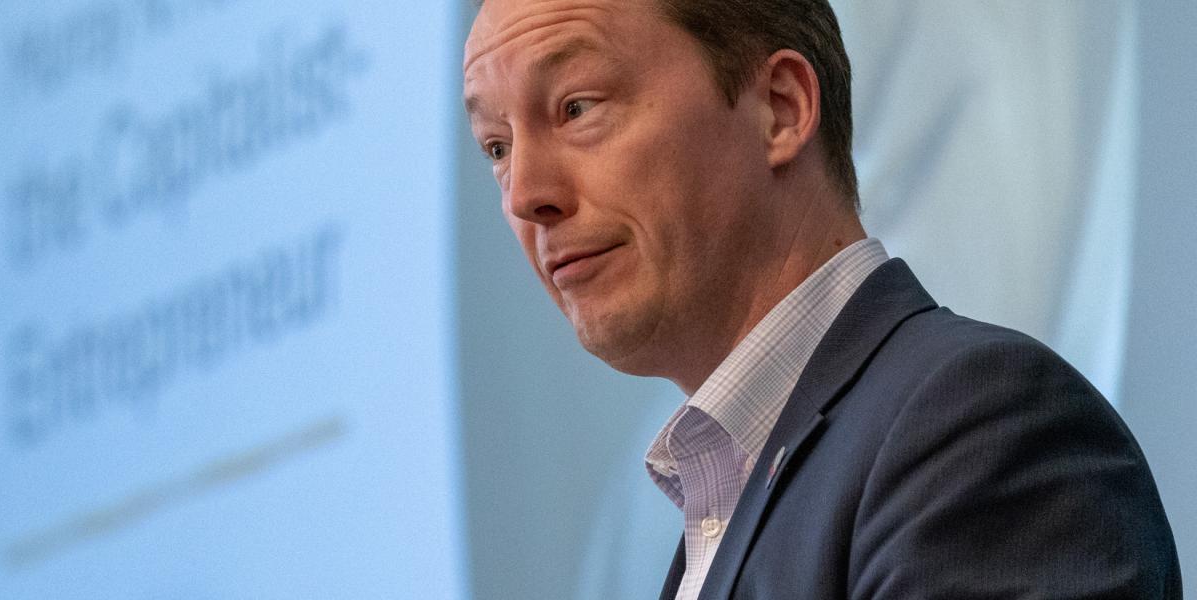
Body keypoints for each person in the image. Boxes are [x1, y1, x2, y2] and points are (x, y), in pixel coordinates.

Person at [462, 0, 1182, 598]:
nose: (524, 195)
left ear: (780, 109)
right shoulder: (675, 524)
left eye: (577, 107)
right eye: (497, 147)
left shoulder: (980, 427)